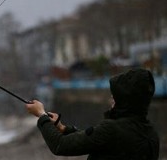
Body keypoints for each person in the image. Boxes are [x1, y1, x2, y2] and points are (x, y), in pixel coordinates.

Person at [26, 68, 159, 160]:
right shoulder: (151, 134)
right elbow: (99, 141)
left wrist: (42, 115)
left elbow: (60, 145)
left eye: (115, 96)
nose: (111, 99)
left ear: (126, 100)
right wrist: (64, 129)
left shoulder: (111, 130)